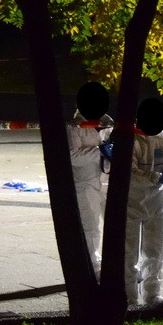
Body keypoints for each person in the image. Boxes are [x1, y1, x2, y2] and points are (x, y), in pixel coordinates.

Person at [125, 97, 163, 307]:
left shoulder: (162, 136)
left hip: (157, 201)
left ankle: (152, 294)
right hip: (132, 200)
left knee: (156, 249)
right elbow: (130, 173)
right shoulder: (130, 139)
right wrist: (157, 177)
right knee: (129, 251)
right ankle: (129, 297)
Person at [67, 82, 112, 277]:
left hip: (108, 180)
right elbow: (73, 156)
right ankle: (94, 271)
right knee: (91, 227)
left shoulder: (109, 123)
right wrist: (100, 152)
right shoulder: (74, 126)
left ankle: (114, 268)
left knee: (114, 225)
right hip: (86, 183)